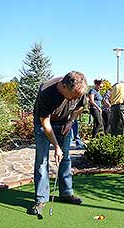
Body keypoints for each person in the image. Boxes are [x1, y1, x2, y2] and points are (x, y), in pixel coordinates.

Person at [31, 71, 87, 215]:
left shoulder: (80, 89)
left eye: (77, 96)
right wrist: (56, 147)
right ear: (63, 86)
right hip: (44, 124)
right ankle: (41, 198)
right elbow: (46, 125)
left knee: (66, 158)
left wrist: (70, 121)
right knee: (42, 160)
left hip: (64, 123)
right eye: (73, 96)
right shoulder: (46, 92)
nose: (74, 99)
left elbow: (80, 107)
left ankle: (66, 193)